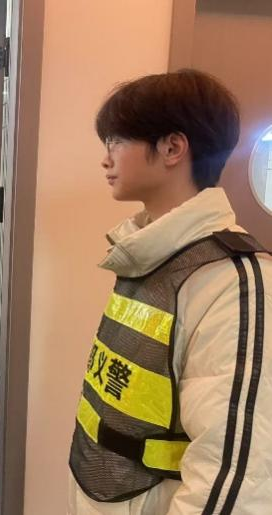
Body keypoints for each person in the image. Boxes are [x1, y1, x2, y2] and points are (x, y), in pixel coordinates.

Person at [68, 69, 272, 514]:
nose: (105, 159)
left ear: (173, 148)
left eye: (116, 141)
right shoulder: (147, 255)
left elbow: (236, 479)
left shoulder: (232, 280)